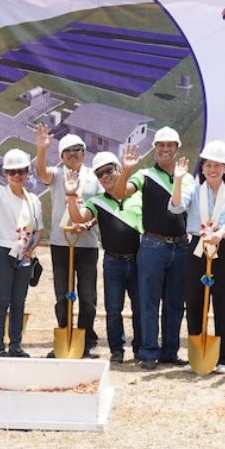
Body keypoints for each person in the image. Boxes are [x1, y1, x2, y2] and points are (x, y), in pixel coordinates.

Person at [113, 125, 193, 369]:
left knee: (175, 302)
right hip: (152, 245)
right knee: (149, 302)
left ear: (177, 149)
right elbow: (118, 193)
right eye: (160, 145)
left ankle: (170, 352)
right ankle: (148, 352)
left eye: (170, 145)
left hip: (180, 247)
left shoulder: (188, 178)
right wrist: (126, 169)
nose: (165, 149)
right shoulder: (144, 175)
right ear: (155, 149)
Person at [168, 141, 225, 373]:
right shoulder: (193, 189)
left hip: (222, 248)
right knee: (194, 301)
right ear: (202, 167)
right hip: (197, 248)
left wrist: (220, 234)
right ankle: (196, 355)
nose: (213, 169)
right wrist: (178, 180)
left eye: (218, 165)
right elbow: (176, 208)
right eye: (208, 164)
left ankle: (224, 359)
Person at [34, 121, 102, 357]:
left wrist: (88, 224)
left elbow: (101, 209)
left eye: (78, 150)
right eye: (68, 151)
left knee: (87, 295)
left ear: (84, 153)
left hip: (88, 244)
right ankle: (65, 335)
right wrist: (42, 149)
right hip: (61, 244)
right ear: (61, 155)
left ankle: (88, 340)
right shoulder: (57, 174)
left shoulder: (94, 177)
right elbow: (41, 172)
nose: (73, 154)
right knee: (63, 294)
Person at [71, 149, 144, 363]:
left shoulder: (138, 196)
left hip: (139, 261)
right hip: (113, 262)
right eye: (100, 173)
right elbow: (78, 217)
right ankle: (117, 350)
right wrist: (70, 194)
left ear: (119, 170)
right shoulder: (97, 202)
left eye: (109, 170)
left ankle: (140, 349)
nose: (105, 176)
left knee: (140, 308)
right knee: (114, 309)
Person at [0, 143, 43, 356]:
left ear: (27, 172)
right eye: (12, 171)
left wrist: (32, 246)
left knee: (18, 301)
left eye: (21, 171)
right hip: (1, 252)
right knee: (1, 300)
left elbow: (38, 230)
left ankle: (15, 345)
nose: (17, 175)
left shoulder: (33, 201)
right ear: (5, 174)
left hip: (23, 255)